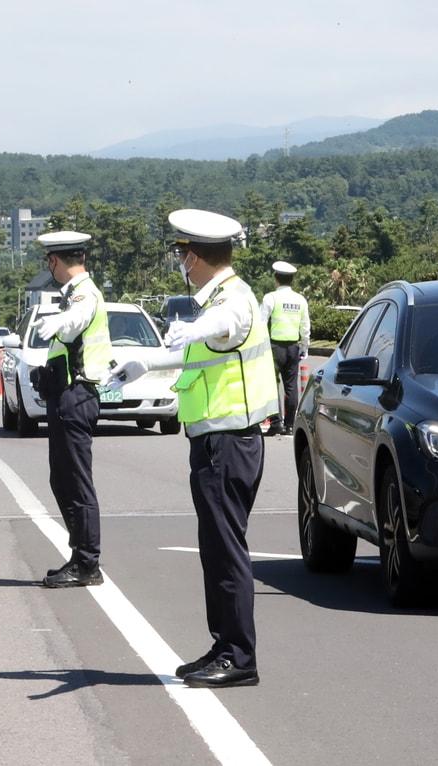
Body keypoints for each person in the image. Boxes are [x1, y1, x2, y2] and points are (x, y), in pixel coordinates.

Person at [110, 209, 278, 688]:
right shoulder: (219, 298)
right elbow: (204, 351)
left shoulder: (233, 299)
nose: (180, 261)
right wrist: (148, 362)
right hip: (214, 440)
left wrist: (199, 328)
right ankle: (224, 645)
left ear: (194, 256)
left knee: (226, 550)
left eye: (182, 252)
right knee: (216, 548)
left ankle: (239, 658)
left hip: (229, 441)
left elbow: (230, 324)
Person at [31, 231, 113, 588]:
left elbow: (79, 317)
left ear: (54, 261)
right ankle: (81, 555)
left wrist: (58, 323)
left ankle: (86, 562)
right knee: (62, 479)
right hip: (67, 395)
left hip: (75, 397)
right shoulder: (76, 294)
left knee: (76, 483)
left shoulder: (83, 294)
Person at [261, 260, 310, 436]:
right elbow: (305, 326)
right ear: (292, 279)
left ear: (276, 278)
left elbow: (261, 324)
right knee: (291, 387)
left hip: (274, 348)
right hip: (293, 347)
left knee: (272, 386)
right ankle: (290, 425)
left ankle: (276, 423)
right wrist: (304, 346)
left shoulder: (270, 298)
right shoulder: (300, 300)